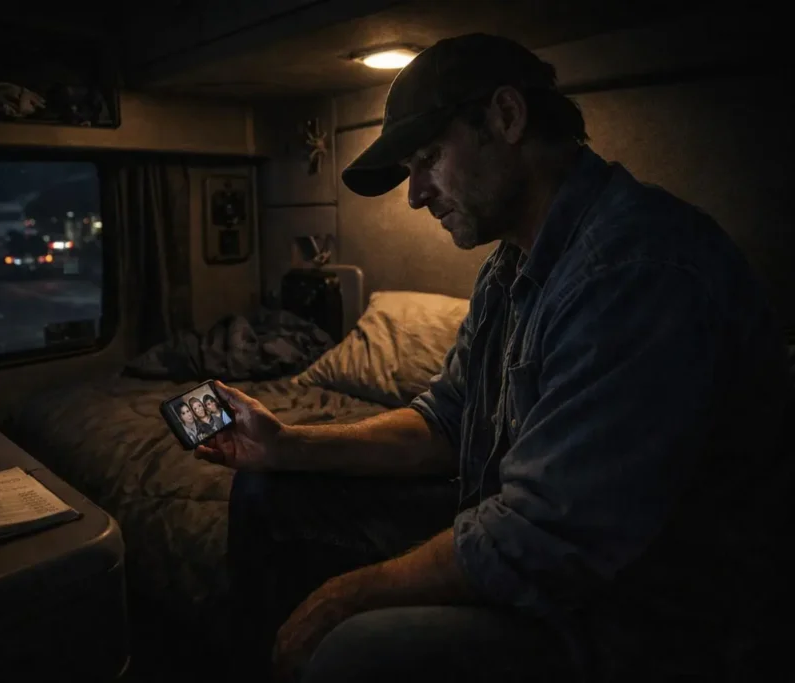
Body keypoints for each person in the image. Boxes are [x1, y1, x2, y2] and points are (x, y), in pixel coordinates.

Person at [197, 33, 791, 683]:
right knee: (270, 492)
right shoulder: (510, 265)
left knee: (352, 649)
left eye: (428, 159)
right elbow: (448, 421)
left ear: (507, 118)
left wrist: (345, 596)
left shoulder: (639, 271)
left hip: (639, 615)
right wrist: (285, 444)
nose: (417, 194)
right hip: (542, 550)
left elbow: (543, 537)